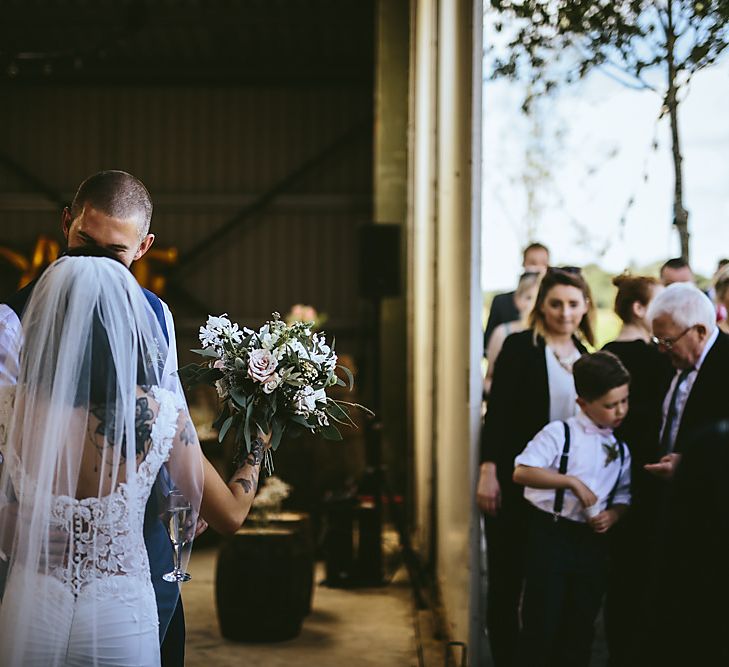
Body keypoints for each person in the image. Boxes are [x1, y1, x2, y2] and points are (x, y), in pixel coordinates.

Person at [0, 252, 266, 666]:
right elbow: (230, 514)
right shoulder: (161, 414)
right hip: (118, 616)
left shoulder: (12, 407)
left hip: (32, 608)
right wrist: (258, 445)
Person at [0, 170, 185, 665]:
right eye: (85, 241)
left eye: (114, 252)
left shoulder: (157, 316)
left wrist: (179, 495)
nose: (94, 262)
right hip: (35, 547)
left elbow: (169, 418)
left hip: (132, 543)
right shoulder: (9, 320)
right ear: (67, 223)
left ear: (143, 247)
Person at [477, 266, 595, 667]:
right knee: (507, 582)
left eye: (573, 304)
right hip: (514, 481)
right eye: (556, 303)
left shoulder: (588, 357)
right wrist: (487, 471)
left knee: (550, 588)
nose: (564, 313)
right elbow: (498, 416)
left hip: (563, 494)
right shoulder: (519, 347)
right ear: (541, 305)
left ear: (586, 307)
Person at [513, 351, 632, 667]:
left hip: (591, 544)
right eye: (610, 405)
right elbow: (522, 471)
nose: (620, 410)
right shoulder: (560, 433)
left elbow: (623, 496)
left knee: (581, 626)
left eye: (624, 401)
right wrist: (570, 483)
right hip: (552, 536)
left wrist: (614, 515)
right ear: (582, 403)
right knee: (542, 623)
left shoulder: (620, 448)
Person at [601, 274, 674, 666]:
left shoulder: (605, 353)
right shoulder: (657, 358)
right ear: (639, 308)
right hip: (648, 474)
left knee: (622, 575)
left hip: (612, 474)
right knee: (640, 573)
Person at [643, 282, 729, 481]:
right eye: (657, 341)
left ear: (700, 332)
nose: (661, 350)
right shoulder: (667, 360)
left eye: (667, 342)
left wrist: (690, 464)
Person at [483, 242, 550, 350]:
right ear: (524, 264)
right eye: (533, 263)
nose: (538, 268)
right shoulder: (501, 301)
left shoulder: (552, 304)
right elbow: (487, 344)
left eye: (543, 264)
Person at [484, 271, 541, 395]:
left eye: (538, 298)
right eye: (528, 297)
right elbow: (489, 378)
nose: (532, 304)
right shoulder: (502, 333)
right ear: (517, 299)